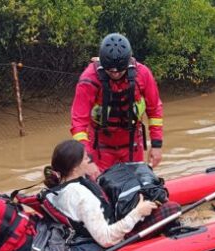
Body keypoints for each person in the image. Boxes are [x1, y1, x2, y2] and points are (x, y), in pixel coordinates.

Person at [42, 139, 169, 251]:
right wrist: (138, 212)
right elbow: (106, 238)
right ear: (75, 168)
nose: (89, 160)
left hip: (83, 230)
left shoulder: (56, 189)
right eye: (86, 158)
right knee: (171, 209)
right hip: (104, 238)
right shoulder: (83, 196)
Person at [70, 33, 164, 172]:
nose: (115, 74)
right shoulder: (89, 80)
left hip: (132, 144)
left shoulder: (142, 74)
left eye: (119, 71)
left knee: (134, 188)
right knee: (100, 188)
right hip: (100, 146)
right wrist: (86, 158)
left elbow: (154, 110)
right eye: (110, 71)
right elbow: (78, 122)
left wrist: (156, 145)